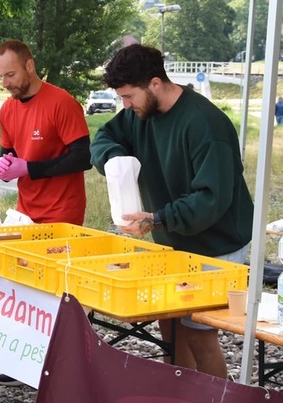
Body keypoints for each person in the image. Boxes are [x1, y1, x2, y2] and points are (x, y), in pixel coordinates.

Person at [90, 44, 254, 379]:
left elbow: (211, 200)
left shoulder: (206, 125)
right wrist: (114, 159)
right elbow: (104, 136)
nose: (125, 105)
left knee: (198, 333)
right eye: (121, 98)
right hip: (171, 241)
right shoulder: (139, 115)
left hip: (216, 243)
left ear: (154, 83)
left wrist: (156, 219)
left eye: (129, 96)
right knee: (170, 327)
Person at [0, 39, 92, 385]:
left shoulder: (61, 102)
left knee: (54, 289)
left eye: (11, 74)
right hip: (26, 210)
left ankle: (59, 363)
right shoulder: (8, 109)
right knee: (22, 283)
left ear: (30, 66)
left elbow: (82, 157)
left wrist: (29, 169)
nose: (6, 83)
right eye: (1, 76)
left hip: (62, 211)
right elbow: (9, 153)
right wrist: (5, 166)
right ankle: (23, 358)